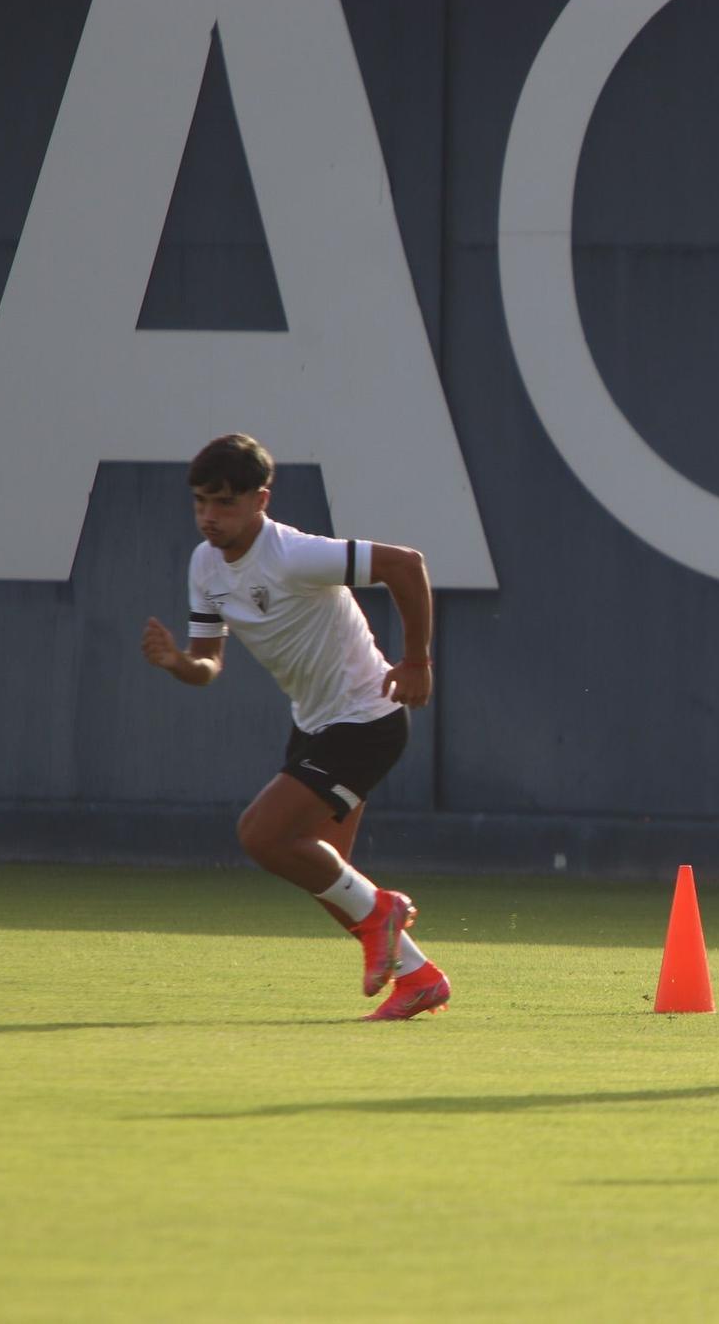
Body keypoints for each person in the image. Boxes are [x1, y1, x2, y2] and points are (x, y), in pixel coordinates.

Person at [140, 433, 450, 1020]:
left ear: (262, 500)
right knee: (330, 879)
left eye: (225, 503)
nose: (210, 517)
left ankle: (387, 916)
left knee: (261, 835)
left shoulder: (294, 554)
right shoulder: (205, 564)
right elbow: (209, 663)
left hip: (368, 719)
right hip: (316, 725)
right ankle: (418, 978)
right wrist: (180, 663)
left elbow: (405, 565)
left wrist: (415, 661)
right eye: (201, 502)